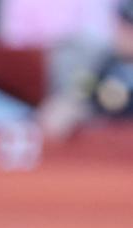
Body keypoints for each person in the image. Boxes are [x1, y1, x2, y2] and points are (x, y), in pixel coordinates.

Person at [38, 0, 133, 134]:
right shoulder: (101, 61)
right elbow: (83, 92)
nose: (126, 34)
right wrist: (74, 108)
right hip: (105, 138)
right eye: (124, 25)